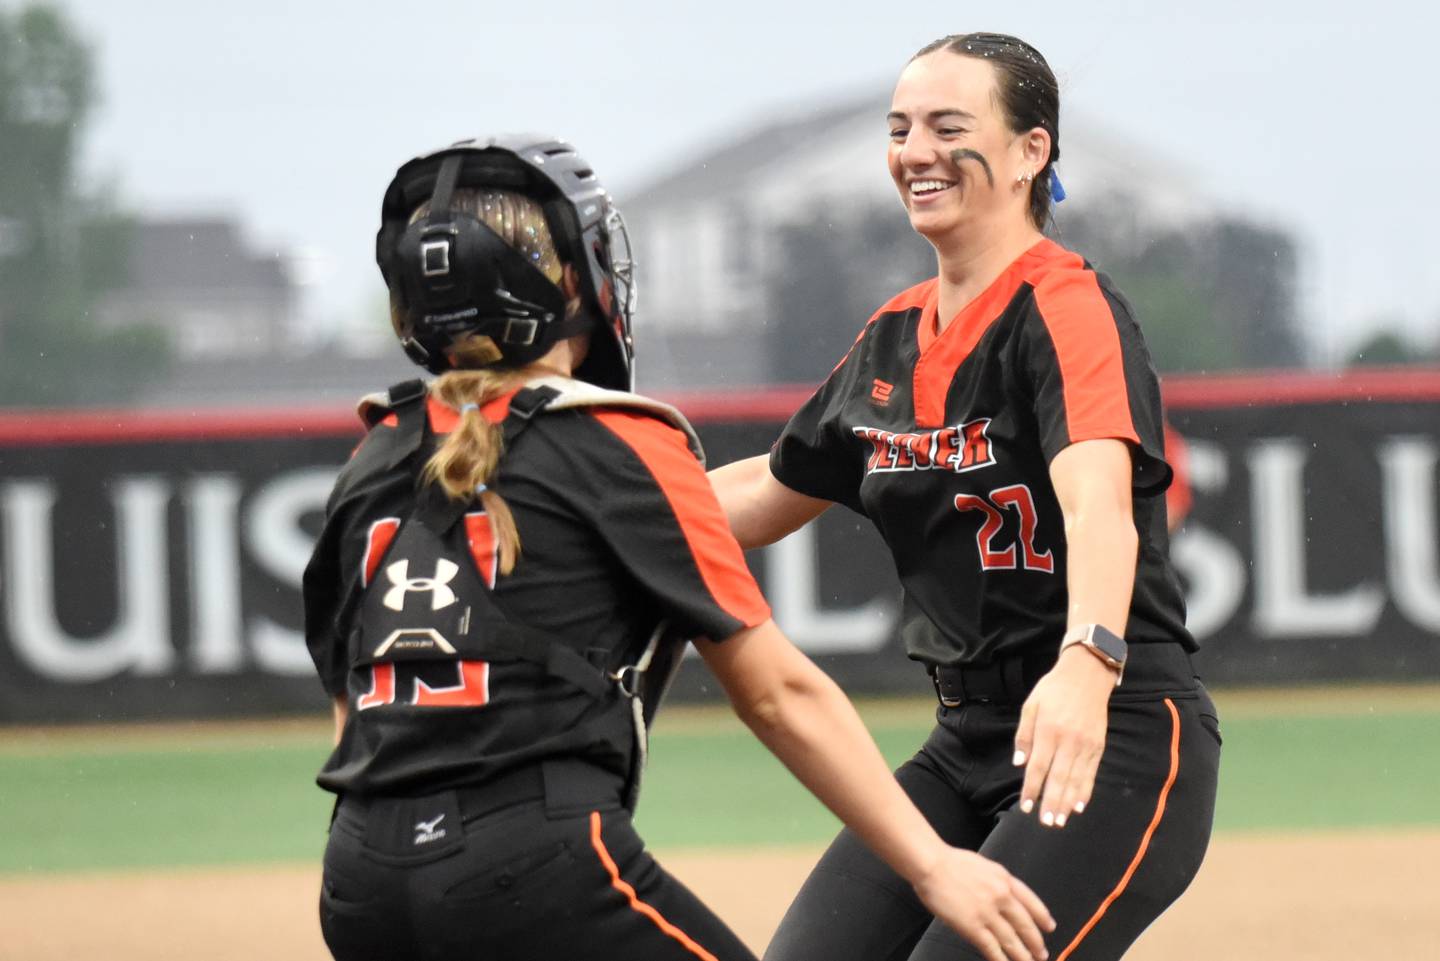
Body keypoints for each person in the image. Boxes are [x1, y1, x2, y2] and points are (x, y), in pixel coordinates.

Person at [302, 134, 1054, 961]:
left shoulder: (373, 454)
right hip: (530, 864)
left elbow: (356, 706)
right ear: (572, 284)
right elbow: (779, 697)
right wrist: (933, 866)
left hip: (358, 882)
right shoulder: (617, 441)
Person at [709, 33, 1222, 961]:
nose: (916, 151)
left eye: (951, 126)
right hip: (966, 740)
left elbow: (1099, 499)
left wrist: (1089, 660)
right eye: (900, 128)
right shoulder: (892, 337)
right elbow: (765, 493)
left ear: (1033, 151)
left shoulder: (1066, 307)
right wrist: (594, 505)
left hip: (1110, 730)